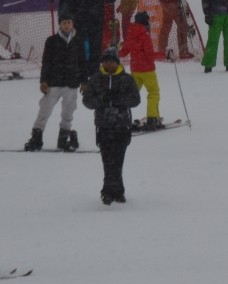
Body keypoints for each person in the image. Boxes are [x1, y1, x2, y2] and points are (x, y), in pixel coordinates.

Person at [82, 49, 141, 205]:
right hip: (103, 125)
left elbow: (135, 100)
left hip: (122, 125)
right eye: (106, 61)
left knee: (118, 159)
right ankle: (109, 191)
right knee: (107, 160)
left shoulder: (127, 79)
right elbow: (87, 101)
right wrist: (102, 100)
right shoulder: (95, 79)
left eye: (112, 61)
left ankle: (116, 190)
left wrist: (119, 100)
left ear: (117, 62)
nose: (109, 64)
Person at [23, 13, 88, 152]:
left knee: (68, 112)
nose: (66, 25)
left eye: (69, 22)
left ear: (73, 24)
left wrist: (84, 81)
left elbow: (82, 62)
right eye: (64, 22)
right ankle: (36, 137)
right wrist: (43, 81)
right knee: (44, 110)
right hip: (54, 83)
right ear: (60, 24)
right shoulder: (51, 41)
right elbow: (46, 62)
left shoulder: (78, 41)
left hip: (71, 83)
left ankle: (63, 138)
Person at [60, 0, 118, 75]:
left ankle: (80, 68)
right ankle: (94, 70)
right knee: (95, 45)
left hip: (79, 18)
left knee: (79, 43)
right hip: (96, 18)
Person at [118, 11, 162, 130]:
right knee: (153, 93)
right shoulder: (144, 35)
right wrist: (164, 54)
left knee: (132, 94)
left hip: (135, 70)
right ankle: (152, 118)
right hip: (147, 70)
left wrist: (116, 49)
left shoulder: (130, 34)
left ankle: (122, 117)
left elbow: (124, 52)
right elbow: (150, 55)